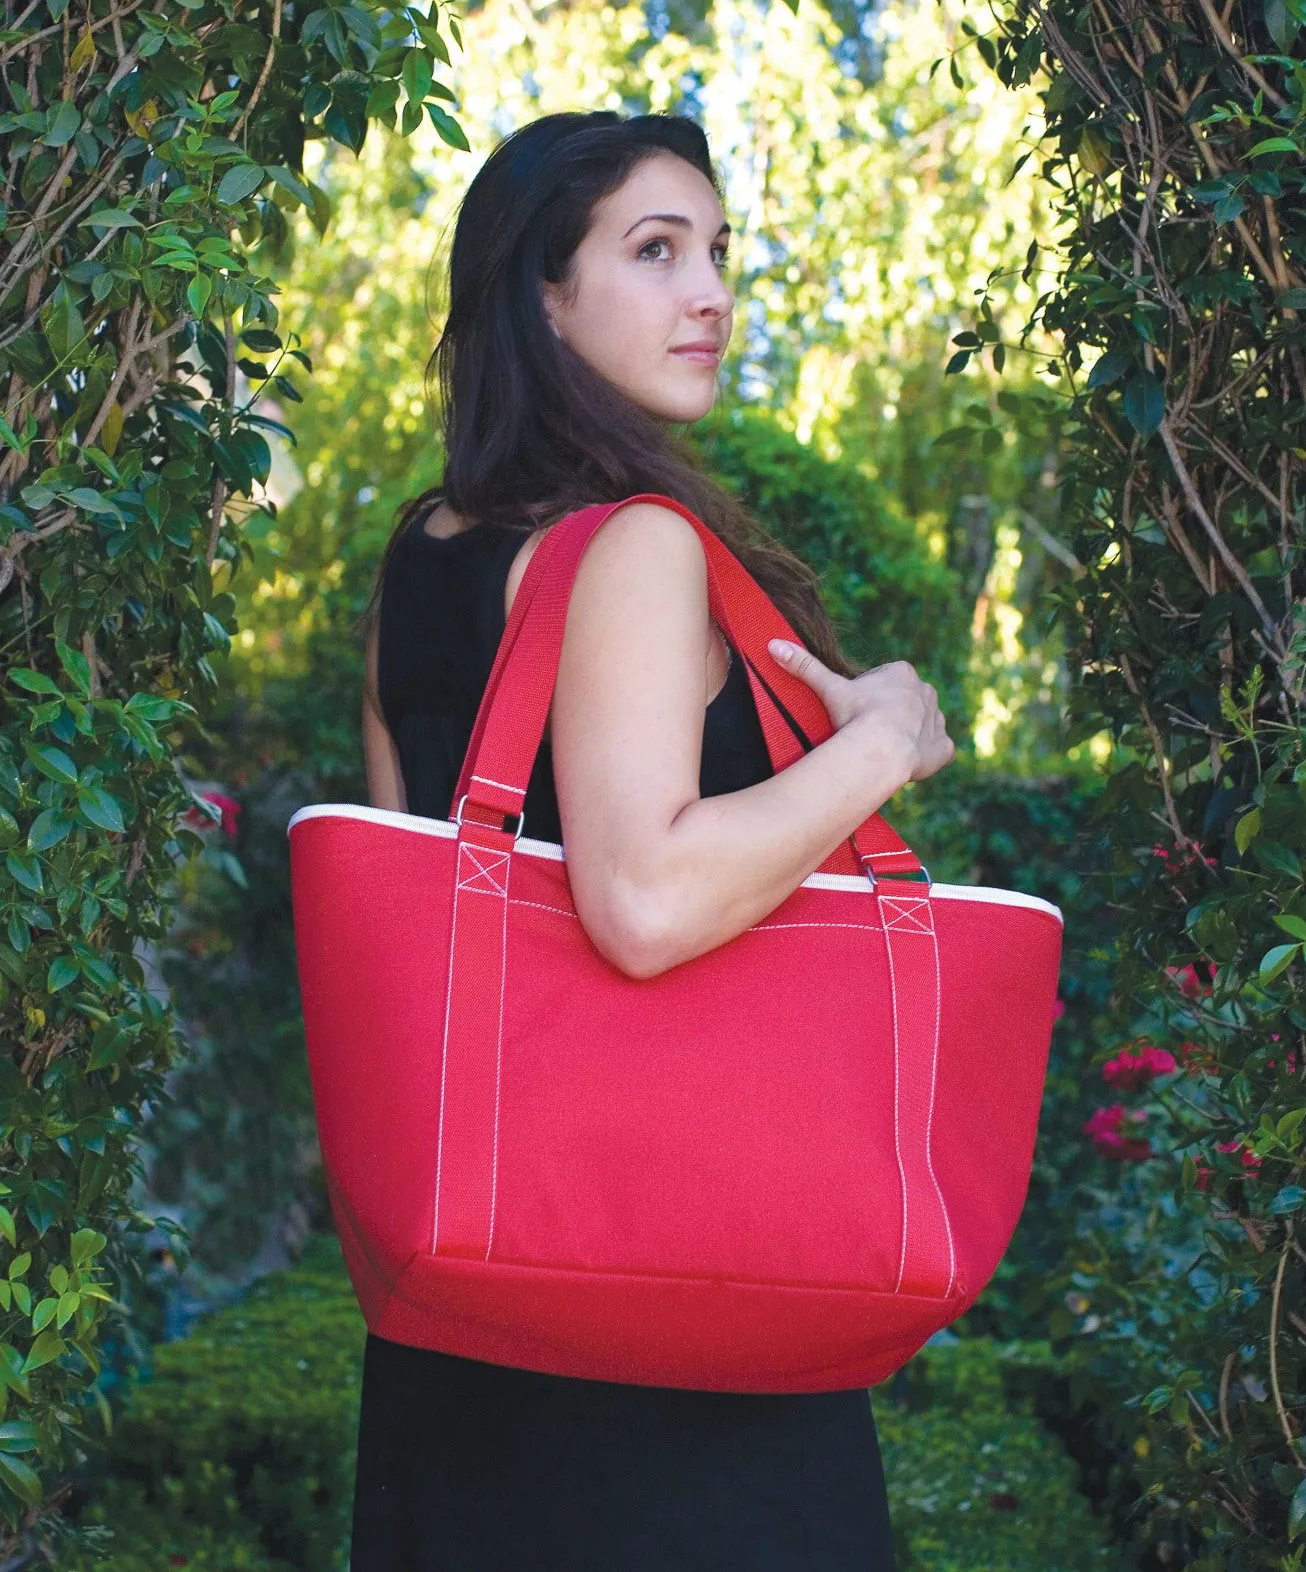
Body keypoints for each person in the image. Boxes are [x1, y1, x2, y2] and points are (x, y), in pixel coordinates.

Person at [355, 111, 954, 1571]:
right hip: (677, 1309)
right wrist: (883, 743)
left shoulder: (427, 550)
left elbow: (408, 899)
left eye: (718, 253)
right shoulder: (637, 544)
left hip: (467, 1293)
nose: (712, 294)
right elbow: (643, 896)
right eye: (654, 251)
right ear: (542, 297)